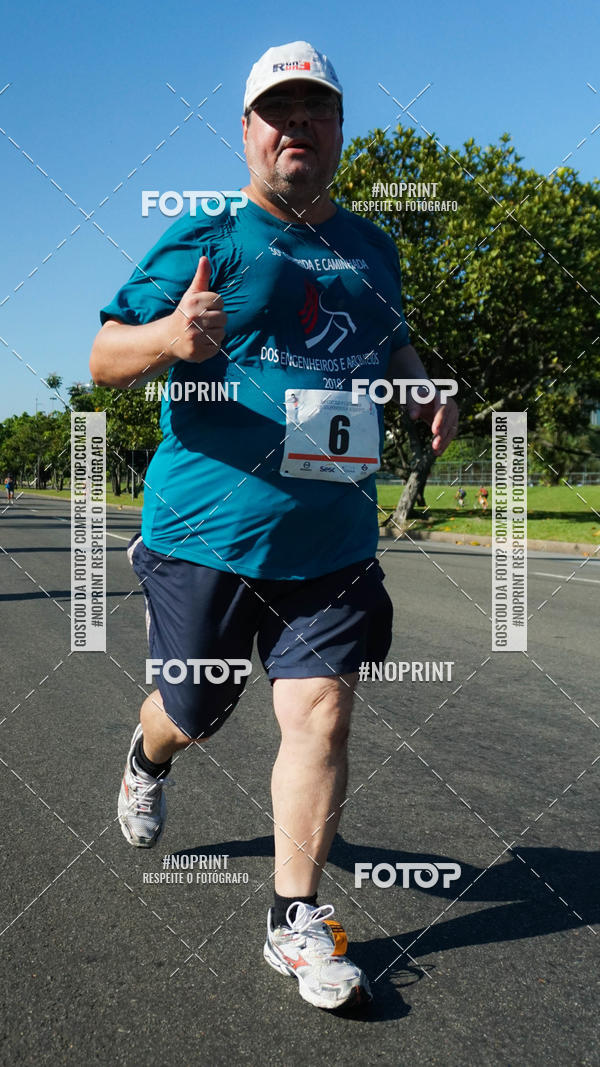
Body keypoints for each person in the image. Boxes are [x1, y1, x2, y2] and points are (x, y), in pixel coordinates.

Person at [90, 40, 458, 1011]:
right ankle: (147, 752)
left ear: (338, 129)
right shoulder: (209, 236)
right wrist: (170, 337)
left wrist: (423, 387)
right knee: (195, 715)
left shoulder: (374, 247)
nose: (297, 126)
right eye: (277, 112)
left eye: (315, 111)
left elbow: (391, 345)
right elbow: (102, 353)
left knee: (321, 712)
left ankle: (292, 915)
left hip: (331, 542)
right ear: (247, 131)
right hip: (206, 534)